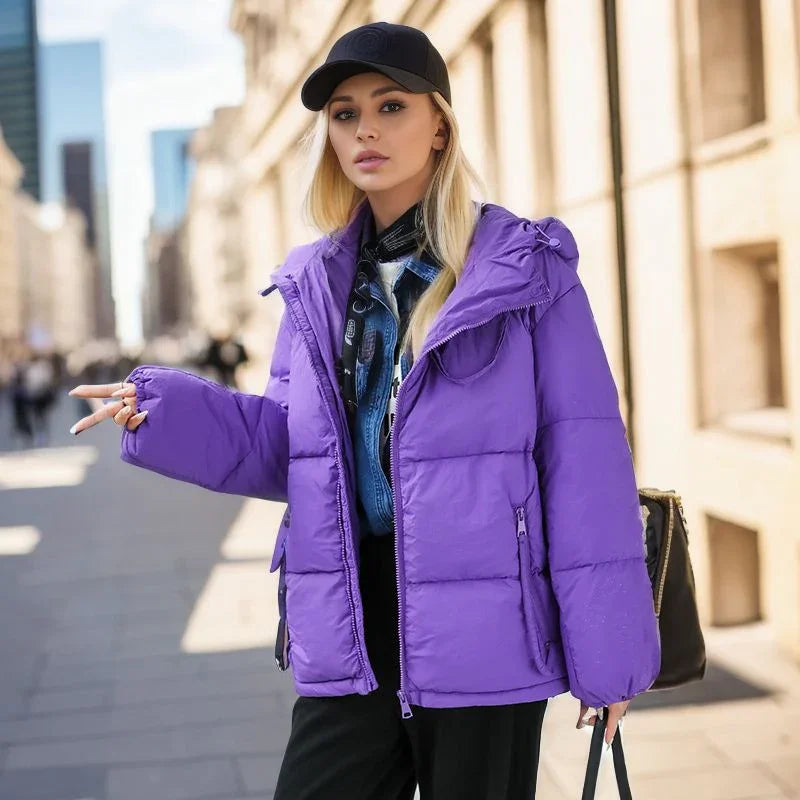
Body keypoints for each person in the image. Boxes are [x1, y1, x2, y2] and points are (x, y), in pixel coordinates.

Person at [67, 21, 661, 799]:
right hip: (351, 621)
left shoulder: (522, 270)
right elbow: (289, 449)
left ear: (439, 124)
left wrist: (608, 651)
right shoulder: (314, 287)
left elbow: (583, 463)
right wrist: (166, 411)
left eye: (390, 106)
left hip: (486, 625)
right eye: (345, 114)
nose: (366, 130)